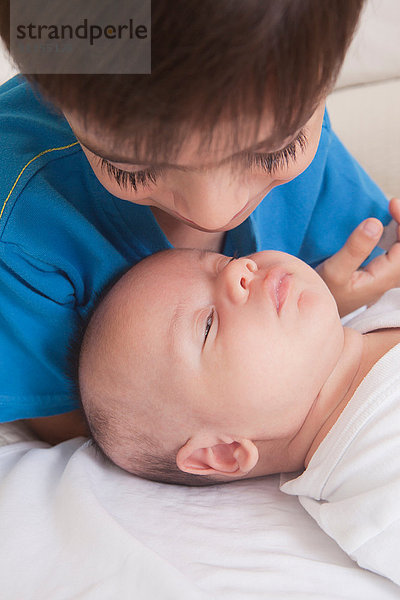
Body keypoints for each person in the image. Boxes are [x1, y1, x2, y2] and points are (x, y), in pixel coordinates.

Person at [0, 0, 398, 443]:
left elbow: (372, 272)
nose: (215, 213)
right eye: (133, 169)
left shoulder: (290, 82)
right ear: (54, 97)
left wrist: (334, 300)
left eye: (277, 150)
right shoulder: (21, 224)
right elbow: (81, 433)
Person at [78, 230, 400, 587]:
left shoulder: (381, 308)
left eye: (225, 263)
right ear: (222, 450)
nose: (240, 272)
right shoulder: (375, 492)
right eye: (208, 325)